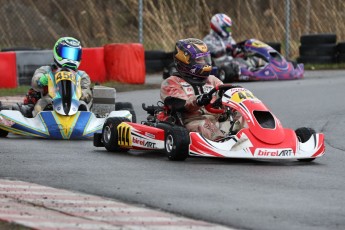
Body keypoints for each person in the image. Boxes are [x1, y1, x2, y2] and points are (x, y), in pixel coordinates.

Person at [160, 38, 234, 141]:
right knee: (205, 125)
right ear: (186, 61)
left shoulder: (213, 80)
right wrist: (198, 100)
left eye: (205, 59)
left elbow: (227, 94)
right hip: (192, 122)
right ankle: (224, 144)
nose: (204, 63)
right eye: (199, 60)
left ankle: (258, 139)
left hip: (217, 120)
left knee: (241, 118)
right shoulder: (172, 82)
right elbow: (180, 104)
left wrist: (226, 99)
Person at [28, 36, 92, 117]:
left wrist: (81, 95)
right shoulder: (46, 70)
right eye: (67, 53)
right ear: (57, 52)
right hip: (52, 99)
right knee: (41, 104)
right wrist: (40, 80)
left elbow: (87, 92)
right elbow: (35, 82)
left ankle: (83, 124)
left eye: (74, 55)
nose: (70, 58)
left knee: (83, 105)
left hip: (75, 102)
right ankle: (38, 124)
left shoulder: (82, 75)